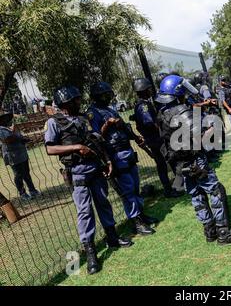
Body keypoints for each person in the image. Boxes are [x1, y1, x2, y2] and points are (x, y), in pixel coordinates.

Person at [44, 86, 133, 275]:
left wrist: (107, 160)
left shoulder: (84, 118)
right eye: (75, 100)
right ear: (65, 103)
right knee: (84, 212)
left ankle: (112, 237)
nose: (79, 102)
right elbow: (50, 149)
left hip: (95, 168)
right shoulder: (54, 122)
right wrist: (76, 147)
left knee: (103, 203)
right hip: (77, 173)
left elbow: (97, 140)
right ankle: (91, 252)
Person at [155, 75, 231, 245]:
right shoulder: (183, 111)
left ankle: (209, 231)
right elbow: (200, 137)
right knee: (216, 191)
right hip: (196, 159)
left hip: (180, 163)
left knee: (196, 194)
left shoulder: (163, 113)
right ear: (178, 92)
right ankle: (224, 233)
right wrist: (214, 127)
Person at [87, 82, 157, 236]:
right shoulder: (92, 113)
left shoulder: (111, 109)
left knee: (135, 185)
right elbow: (96, 137)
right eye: (104, 94)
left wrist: (136, 138)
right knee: (128, 189)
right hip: (115, 154)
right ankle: (136, 222)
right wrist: (108, 124)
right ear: (97, 96)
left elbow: (124, 127)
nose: (108, 97)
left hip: (127, 150)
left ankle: (141, 215)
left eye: (108, 94)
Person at [132, 78, 184, 198]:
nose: (151, 90)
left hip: (154, 139)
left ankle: (173, 186)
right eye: (149, 89)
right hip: (156, 139)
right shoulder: (143, 106)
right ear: (144, 90)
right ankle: (170, 189)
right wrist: (163, 131)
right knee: (165, 162)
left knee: (164, 163)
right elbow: (150, 122)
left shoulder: (143, 104)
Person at [0, 112, 40, 201]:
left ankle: (33, 191)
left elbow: (19, 137)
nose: (7, 119)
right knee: (18, 175)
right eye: (4, 118)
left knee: (26, 172)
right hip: (13, 156)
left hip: (21, 153)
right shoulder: (1, 129)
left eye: (7, 118)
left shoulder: (9, 128)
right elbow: (7, 140)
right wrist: (14, 131)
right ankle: (23, 194)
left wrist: (24, 139)